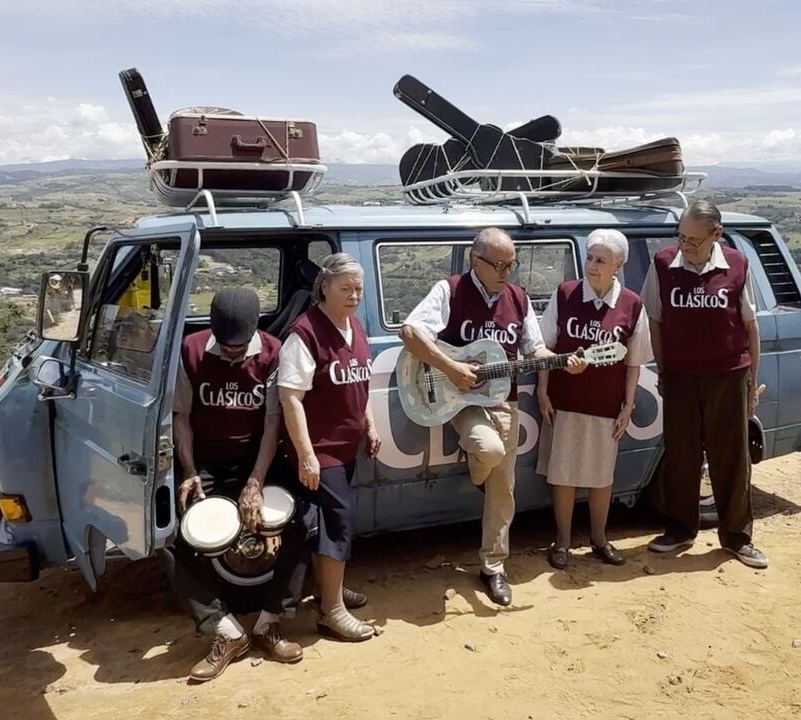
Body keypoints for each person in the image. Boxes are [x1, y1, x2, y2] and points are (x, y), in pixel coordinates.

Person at [400, 227, 583, 606]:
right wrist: (450, 368)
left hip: (503, 399)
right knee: (491, 450)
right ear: (474, 260)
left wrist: (567, 362)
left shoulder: (518, 298)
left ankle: (494, 567)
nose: (506, 272)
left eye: (510, 265)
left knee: (504, 489)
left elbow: (534, 350)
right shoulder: (449, 290)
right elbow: (411, 332)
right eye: (498, 264)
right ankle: (481, 464)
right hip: (457, 399)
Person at [163, 287, 307, 683]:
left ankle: (269, 622)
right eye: (225, 347)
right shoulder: (190, 350)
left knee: (298, 526)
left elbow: (273, 423)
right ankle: (225, 629)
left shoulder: (273, 352)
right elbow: (182, 418)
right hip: (207, 457)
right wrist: (190, 470)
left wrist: (256, 482)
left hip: (257, 456)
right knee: (174, 538)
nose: (231, 354)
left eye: (238, 347)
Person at [640, 200, 768, 569]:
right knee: (681, 456)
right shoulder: (664, 263)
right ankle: (680, 530)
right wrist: (664, 370)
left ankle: (737, 537)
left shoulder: (737, 265)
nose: (685, 246)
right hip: (680, 375)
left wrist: (751, 384)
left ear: (716, 234)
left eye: (694, 241)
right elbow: (657, 321)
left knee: (732, 457)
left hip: (728, 374)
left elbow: (750, 327)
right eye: (681, 237)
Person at [278, 252, 382, 641]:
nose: (354, 295)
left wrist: (368, 423)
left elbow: (361, 383)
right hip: (319, 449)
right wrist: (306, 455)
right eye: (346, 288)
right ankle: (331, 611)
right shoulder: (304, 335)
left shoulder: (354, 327)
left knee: (332, 524)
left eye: (359, 288)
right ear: (324, 287)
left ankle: (330, 592)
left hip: (345, 446)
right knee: (339, 521)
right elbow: (290, 398)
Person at [537, 229, 651, 569]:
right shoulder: (566, 293)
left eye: (601, 260)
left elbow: (633, 362)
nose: (592, 265)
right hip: (565, 401)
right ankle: (562, 541)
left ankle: (600, 539)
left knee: (602, 477)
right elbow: (545, 345)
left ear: (618, 264)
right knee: (564, 475)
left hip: (606, 404)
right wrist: (543, 390)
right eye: (589, 258)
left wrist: (627, 406)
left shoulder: (632, 304)